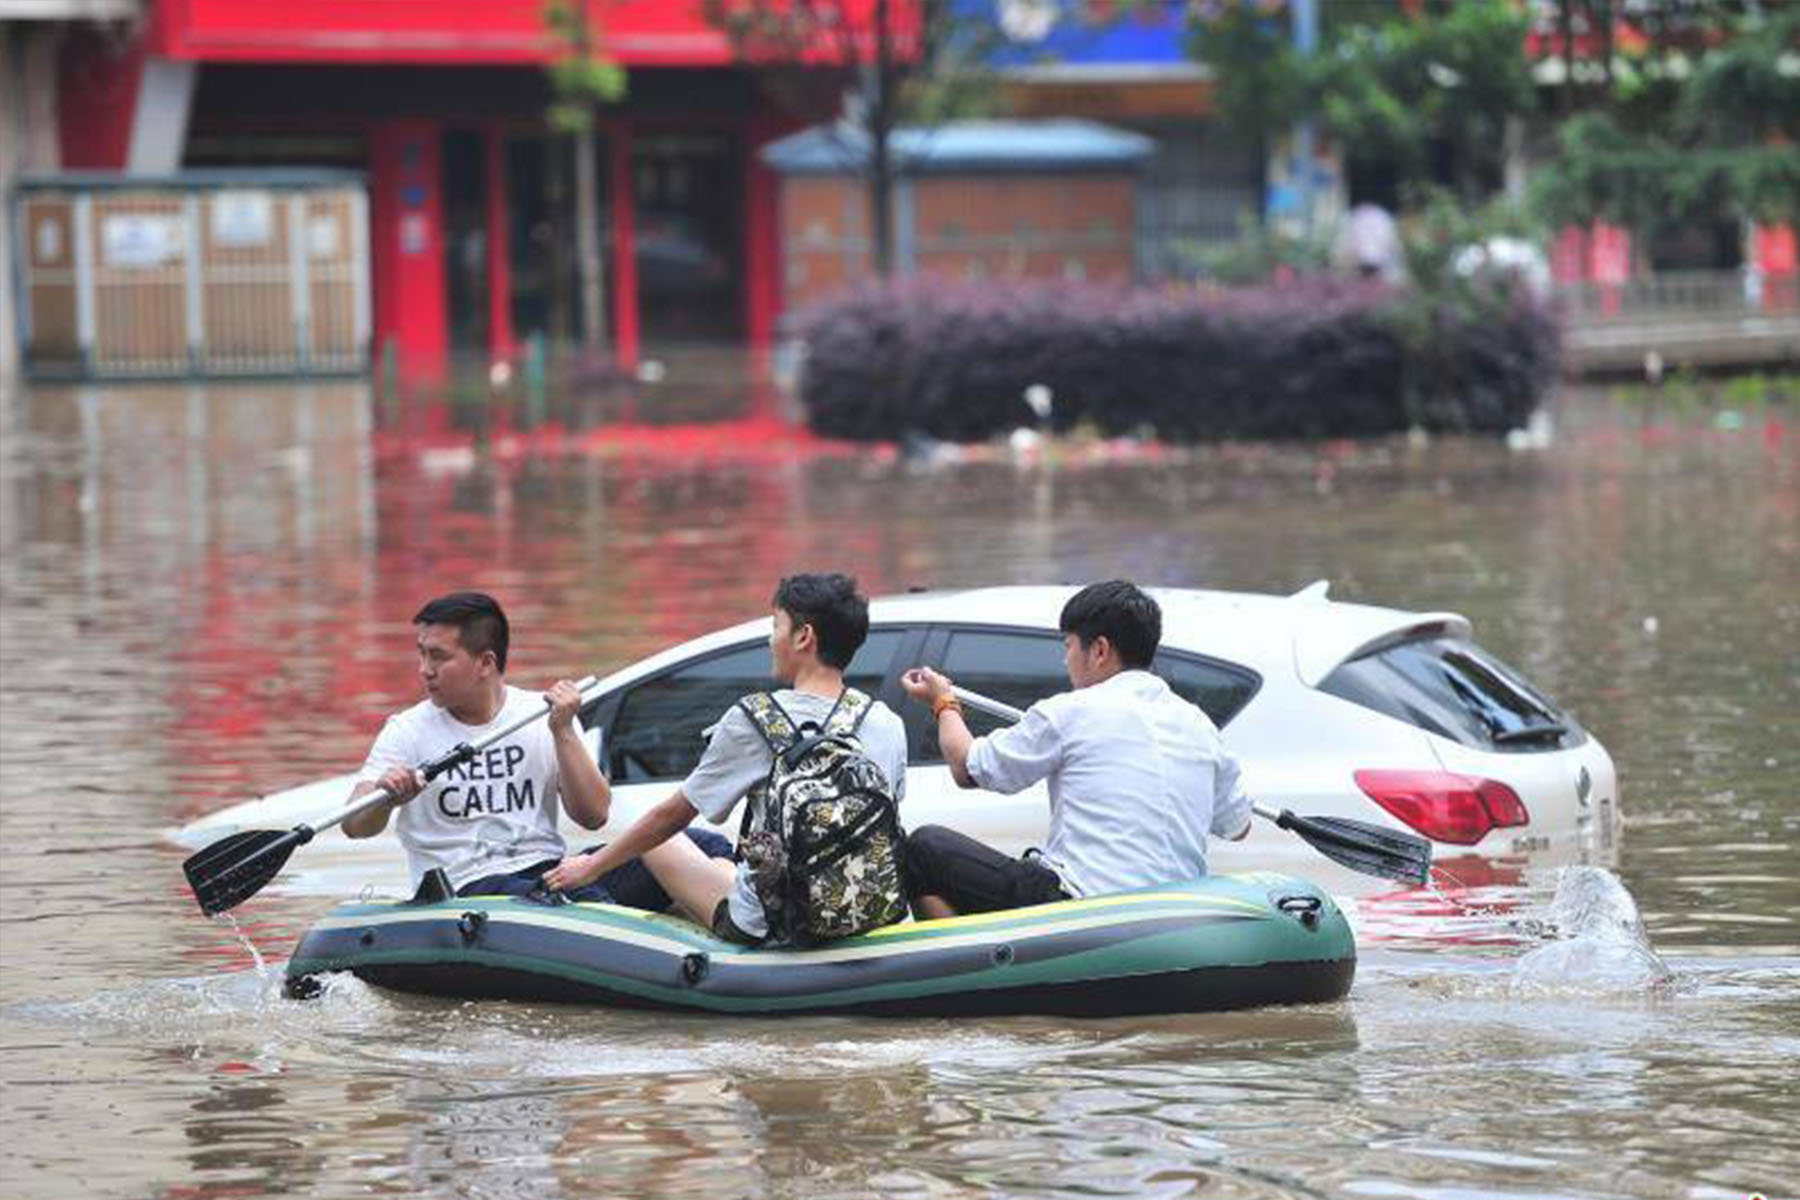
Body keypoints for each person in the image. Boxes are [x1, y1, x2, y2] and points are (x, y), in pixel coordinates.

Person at [544, 573, 910, 945]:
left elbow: (673, 816)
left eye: (776, 625)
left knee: (657, 840)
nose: (771, 639)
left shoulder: (755, 718)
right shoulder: (887, 722)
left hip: (772, 925)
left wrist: (590, 867)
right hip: (867, 913)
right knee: (722, 864)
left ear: (803, 637)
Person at [345, 591, 729, 905]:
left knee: (707, 843)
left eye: (438, 657)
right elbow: (353, 824)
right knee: (580, 896)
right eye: (422, 654)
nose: (424, 669)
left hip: (547, 870)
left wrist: (563, 731)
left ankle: (735, 929)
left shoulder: (538, 715)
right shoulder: (407, 731)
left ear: (485, 663)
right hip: (465, 887)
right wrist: (387, 797)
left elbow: (594, 814)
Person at [898, 580, 1251, 918]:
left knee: (923, 850)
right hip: (1179, 911)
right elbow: (1238, 827)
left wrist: (943, 702)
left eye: (1068, 646)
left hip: (1083, 907)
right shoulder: (1199, 725)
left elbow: (967, 767)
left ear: (1099, 650)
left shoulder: (1069, 712)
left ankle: (970, 977)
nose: (1065, 661)